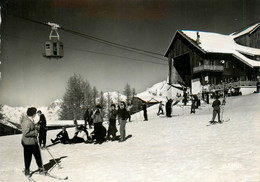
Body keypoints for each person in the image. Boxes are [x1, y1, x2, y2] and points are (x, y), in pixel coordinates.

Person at [20, 107, 45, 176]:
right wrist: (35, 132)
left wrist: (36, 127)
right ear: (33, 113)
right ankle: (27, 170)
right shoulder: (26, 122)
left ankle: (40, 168)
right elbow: (26, 133)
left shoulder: (30, 120)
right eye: (35, 113)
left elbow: (31, 128)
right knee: (28, 157)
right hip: (28, 142)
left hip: (33, 141)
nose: (36, 114)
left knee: (37, 155)